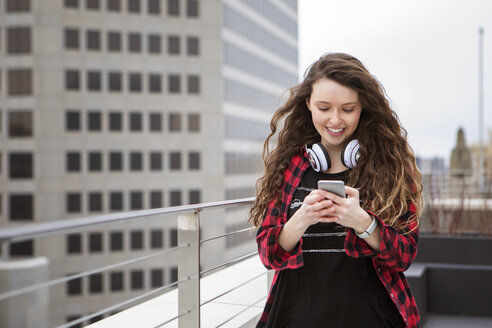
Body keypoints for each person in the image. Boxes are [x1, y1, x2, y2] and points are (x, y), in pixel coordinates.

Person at [249, 53, 423, 328]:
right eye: (324, 107)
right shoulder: (289, 168)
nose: (335, 119)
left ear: (362, 106)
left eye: (347, 108)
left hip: (371, 317)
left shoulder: (390, 167)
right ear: (308, 104)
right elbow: (268, 255)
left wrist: (362, 223)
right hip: (296, 317)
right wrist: (302, 218)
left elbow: (404, 256)